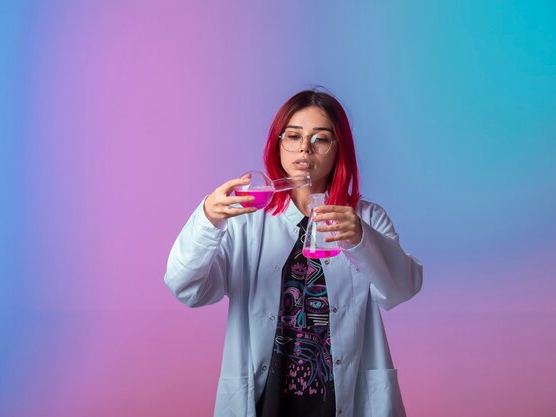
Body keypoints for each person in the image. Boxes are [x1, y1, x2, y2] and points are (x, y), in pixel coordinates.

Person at [165, 89, 423, 417]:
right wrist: (207, 219)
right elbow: (187, 288)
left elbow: (400, 290)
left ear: (338, 148)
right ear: (278, 144)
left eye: (321, 138)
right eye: (294, 136)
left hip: (341, 399)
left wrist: (360, 238)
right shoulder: (247, 222)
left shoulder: (366, 218)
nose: (304, 147)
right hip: (266, 402)